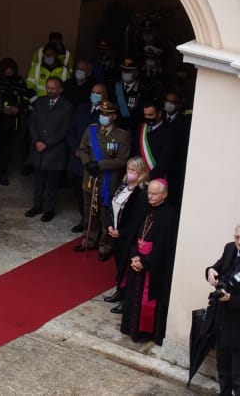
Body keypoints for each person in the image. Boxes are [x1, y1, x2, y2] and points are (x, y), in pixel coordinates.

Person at [119, 178, 177, 345]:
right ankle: (130, 327)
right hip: (138, 259)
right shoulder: (146, 209)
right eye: (148, 193)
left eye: (154, 194)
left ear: (164, 195)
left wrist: (145, 261)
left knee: (148, 300)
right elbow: (136, 235)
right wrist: (134, 255)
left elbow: (164, 247)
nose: (149, 196)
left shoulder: (169, 216)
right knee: (133, 297)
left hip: (153, 265)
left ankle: (145, 332)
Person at [75, 100, 131, 256]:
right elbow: (83, 149)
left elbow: (121, 160)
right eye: (101, 113)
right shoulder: (91, 130)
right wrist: (88, 164)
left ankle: (105, 245)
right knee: (89, 211)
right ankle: (89, 239)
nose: (103, 117)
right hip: (90, 177)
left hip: (108, 179)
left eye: (106, 114)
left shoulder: (122, 135)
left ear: (113, 116)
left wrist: (100, 165)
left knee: (105, 214)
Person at [104, 157, 151, 310]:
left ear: (141, 172)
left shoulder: (142, 193)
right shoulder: (124, 185)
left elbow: (136, 219)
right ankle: (120, 291)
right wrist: (110, 225)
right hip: (116, 233)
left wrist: (122, 232)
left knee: (128, 267)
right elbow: (113, 206)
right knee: (119, 264)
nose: (130, 173)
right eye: (128, 169)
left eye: (133, 170)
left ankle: (127, 299)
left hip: (129, 236)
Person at [25, 77, 72, 222]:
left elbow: (65, 130)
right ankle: (37, 206)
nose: (50, 90)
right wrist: (37, 141)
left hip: (55, 150)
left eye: (53, 88)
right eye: (48, 87)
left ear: (60, 89)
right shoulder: (40, 101)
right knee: (38, 181)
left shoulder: (67, 106)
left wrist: (46, 143)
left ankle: (49, 209)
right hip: (38, 148)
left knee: (52, 183)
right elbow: (32, 122)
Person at [67, 82, 108, 234]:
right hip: (77, 157)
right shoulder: (82, 108)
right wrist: (76, 149)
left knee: (94, 196)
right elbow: (71, 130)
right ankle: (84, 219)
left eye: (99, 92)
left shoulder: (106, 113)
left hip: (94, 161)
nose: (95, 95)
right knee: (79, 191)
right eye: (93, 92)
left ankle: (93, 225)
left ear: (105, 95)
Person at [206, 226, 240, 395]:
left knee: (238, 376)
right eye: (238, 237)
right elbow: (218, 266)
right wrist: (211, 271)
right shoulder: (230, 248)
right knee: (223, 368)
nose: (239, 242)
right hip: (222, 319)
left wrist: (231, 299)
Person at [0, 58, 27, 186]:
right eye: (7, 69)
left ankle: (3, 173)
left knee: (7, 148)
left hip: (12, 120)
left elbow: (25, 98)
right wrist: (1, 108)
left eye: (11, 69)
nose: (9, 72)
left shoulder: (19, 81)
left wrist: (18, 108)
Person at [137, 100, 176, 183]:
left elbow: (163, 163)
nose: (147, 117)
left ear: (159, 114)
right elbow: (135, 153)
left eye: (150, 115)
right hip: (138, 176)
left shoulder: (168, 133)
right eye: (145, 115)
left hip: (156, 180)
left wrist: (147, 178)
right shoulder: (141, 128)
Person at [113, 58, 146, 130]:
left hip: (133, 129)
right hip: (116, 127)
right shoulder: (116, 86)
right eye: (124, 71)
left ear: (136, 72)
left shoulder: (143, 90)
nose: (125, 73)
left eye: (129, 71)